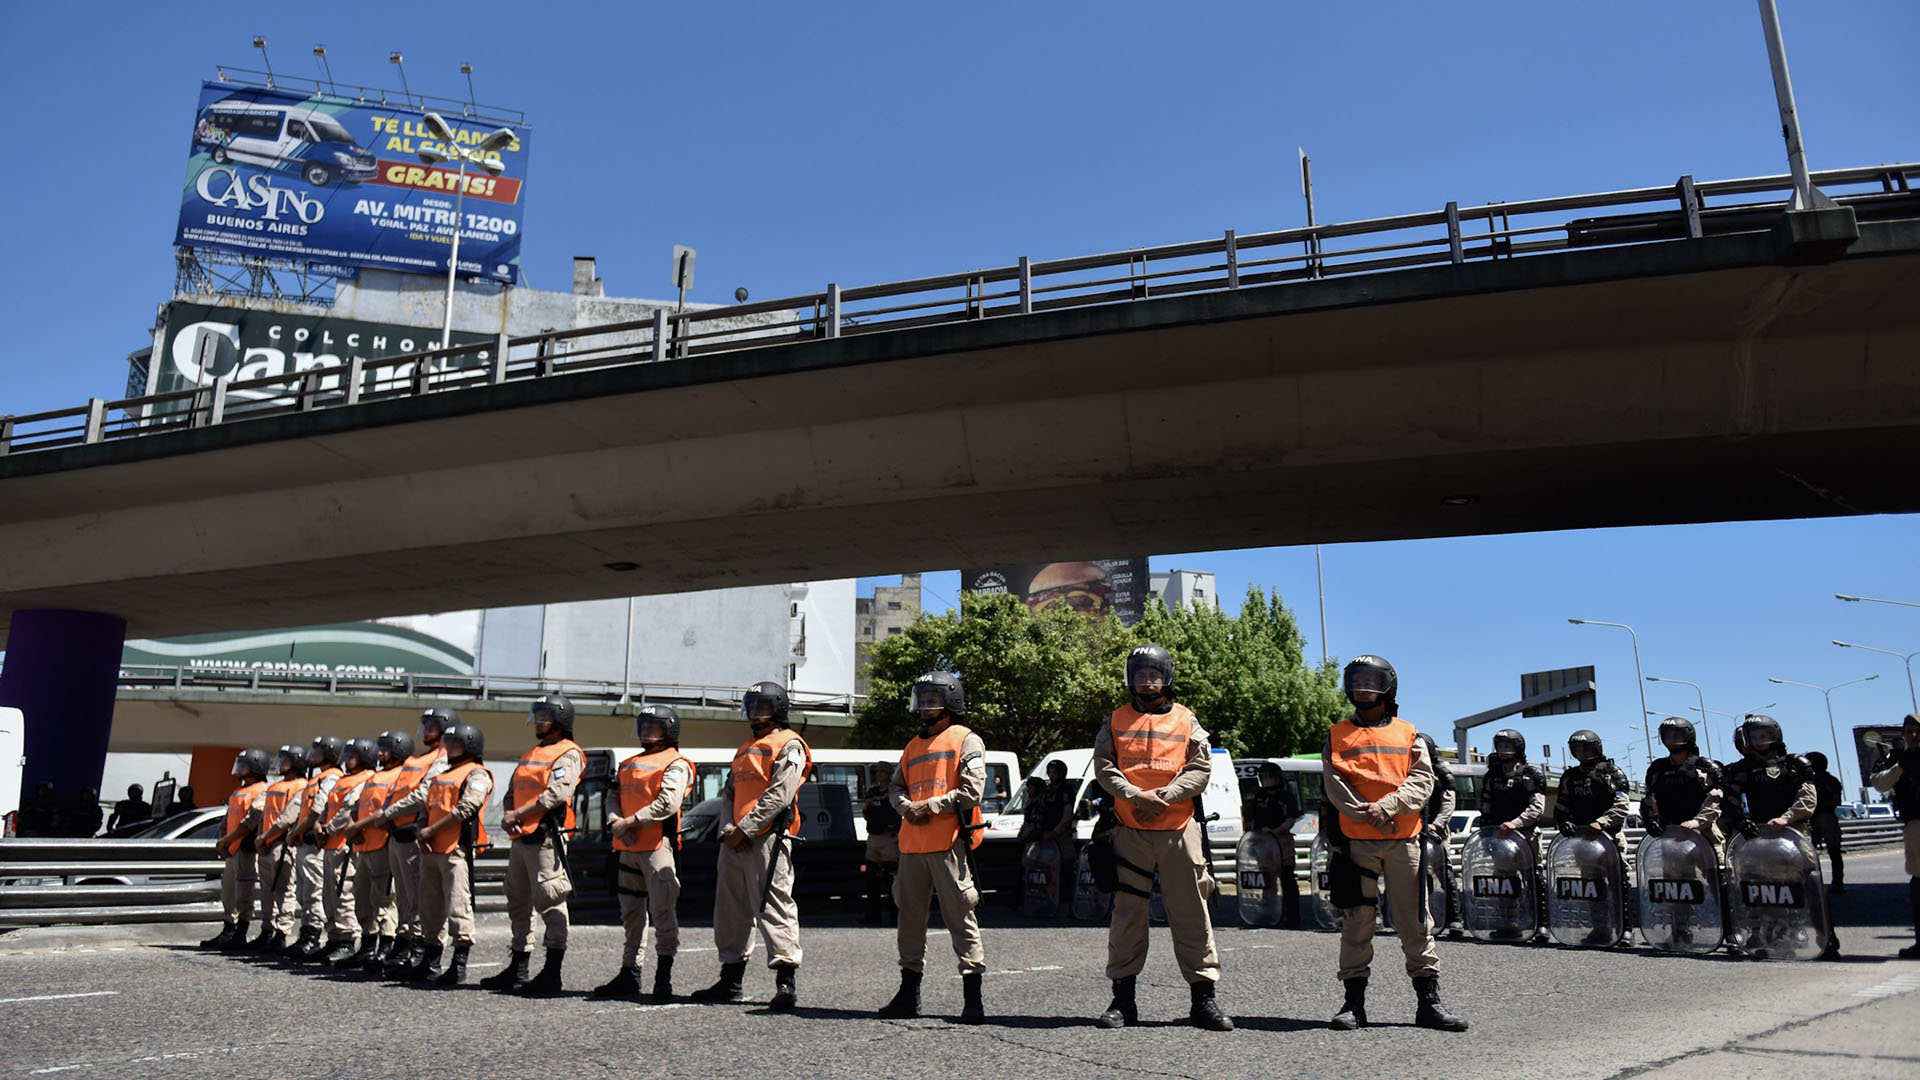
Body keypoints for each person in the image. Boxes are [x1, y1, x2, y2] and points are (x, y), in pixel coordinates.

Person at [1322, 655, 1467, 1033]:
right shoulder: (1336, 734)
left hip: (1403, 841)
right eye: (1356, 680)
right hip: (1357, 843)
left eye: (1371, 680)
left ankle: (1428, 1004)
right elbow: (1334, 784)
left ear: (1388, 686)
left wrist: (1387, 806)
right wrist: (1362, 812)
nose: (1362, 687)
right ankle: (1353, 1005)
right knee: (1357, 923)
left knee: (1415, 922)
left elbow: (1423, 781)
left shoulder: (1409, 733)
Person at [1092, 644, 1232, 1032]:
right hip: (1130, 829)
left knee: (1192, 914)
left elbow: (1200, 769)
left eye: (1153, 674)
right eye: (1139, 674)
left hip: (1176, 830)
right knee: (1127, 917)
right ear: (1129, 678)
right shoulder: (1115, 720)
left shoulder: (1187, 719)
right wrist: (1135, 795)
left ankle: (1203, 1002)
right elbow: (1103, 765)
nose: (1146, 681)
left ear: (1167, 677)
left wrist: (1164, 797)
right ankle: (1123, 1001)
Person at [877, 672, 988, 1023]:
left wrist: (932, 805)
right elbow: (896, 787)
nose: (924, 706)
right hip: (911, 846)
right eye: (921, 700)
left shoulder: (967, 740)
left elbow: (973, 791)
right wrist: (906, 806)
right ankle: (908, 995)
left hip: (949, 844)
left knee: (960, 918)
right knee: (909, 922)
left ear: (951, 702)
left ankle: (973, 999)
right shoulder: (912, 745)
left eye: (931, 700)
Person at [692, 681, 811, 1010]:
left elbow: (780, 793)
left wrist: (745, 828)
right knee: (730, 910)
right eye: (752, 706)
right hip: (734, 840)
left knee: (774, 906)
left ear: (778, 709)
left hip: (767, 838)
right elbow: (728, 793)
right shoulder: (744, 748)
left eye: (762, 707)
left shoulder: (790, 745)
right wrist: (729, 828)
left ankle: (785, 982)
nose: (755, 713)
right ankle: (730, 980)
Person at [481, 693, 584, 995]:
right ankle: (519, 967)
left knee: (551, 902)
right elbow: (514, 788)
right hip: (521, 836)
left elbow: (557, 794)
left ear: (561, 720)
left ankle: (553, 973)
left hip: (546, 837)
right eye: (537, 715)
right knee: (518, 900)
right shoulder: (530, 753)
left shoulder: (569, 753)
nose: (538, 721)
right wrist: (509, 814)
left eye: (545, 716)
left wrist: (518, 813)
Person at [592, 705, 693, 1002]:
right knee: (631, 916)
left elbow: (668, 803)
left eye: (654, 727)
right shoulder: (627, 763)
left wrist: (630, 822)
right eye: (644, 726)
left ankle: (664, 978)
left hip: (656, 847)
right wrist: (615, 822)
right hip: (627, 847)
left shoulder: (676, 763)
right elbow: (611, 797)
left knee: (662, 913)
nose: (646, 732)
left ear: (669, 730)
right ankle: (630, 974)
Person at [1723, 715, 1836, 959]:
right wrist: (1742, 822)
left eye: (1764, 735)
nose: (1760, 741)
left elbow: (1808, 797)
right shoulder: (1742, 769)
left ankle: (1826, 939)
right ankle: (1764, 937)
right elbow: (1730, 800)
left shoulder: (1795, 764)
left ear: (1775, 735)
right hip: (1759, 837)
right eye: (1754, 737)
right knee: (1759, 889)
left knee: (1810, 884)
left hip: (1794, 834)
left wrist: (1786, 818)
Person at [363, 709, 452, 977]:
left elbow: (423, 793)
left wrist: (388, 813)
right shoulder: (416, 760)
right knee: (403, 897)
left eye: (433, 726)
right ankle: (404, 944)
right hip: (397, 833)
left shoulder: (442, 759)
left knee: (417, 897)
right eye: (425, 725)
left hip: (415, 832)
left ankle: (418, 949)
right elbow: (395, 792)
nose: (426, 731)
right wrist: (388, 814)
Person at [417, 722, 493, 986]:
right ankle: (431, 961)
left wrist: (431, 831)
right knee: (429, 908)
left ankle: (458, 965)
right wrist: (422, 830)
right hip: (431, 849)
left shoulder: (477, 774)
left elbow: (466, 808)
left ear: (470, 746)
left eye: (455, 744)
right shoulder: (442, 775)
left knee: (458, 907)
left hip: (455, 850)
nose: (448, 748)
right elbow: (427, 807)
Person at [1640, 716, 1726, 948]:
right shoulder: (1657, 768)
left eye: (1677, 735)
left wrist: (1698, 822)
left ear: (1689, 736)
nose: (1673, 740)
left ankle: (1730, 931)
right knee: (1677, 888)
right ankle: (1680, 930)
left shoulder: (1706, 767)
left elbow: (1715, 801)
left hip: (1704, 834)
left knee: (1720, 882)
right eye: (1668, 736)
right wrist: (1650, 819)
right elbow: (1649, 798)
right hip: (1672, 836)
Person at [1552, 729, 1631, 940]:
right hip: (1583, 842)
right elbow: (1561, 805)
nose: (1582, 753)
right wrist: (1564, 823)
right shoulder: (1570, 776)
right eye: (1577, 749)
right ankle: (1600, 928)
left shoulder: (1611, 772)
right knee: (1591, 887)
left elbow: (1622, 804)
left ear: (1596, 748)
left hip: (1610, 838)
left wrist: (1602, 823)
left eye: (1586, 748)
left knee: (1618, 883)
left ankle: (1626, 929)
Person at [342, 730, 411, 972]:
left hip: (382, 844)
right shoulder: (374, 777)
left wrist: (357, 827)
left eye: (386, 748)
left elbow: (386, 811)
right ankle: (368, 944)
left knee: (384, 900)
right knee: (362, 900)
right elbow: (358, 805)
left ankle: (386, 945)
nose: (380, 753)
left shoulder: (400, 775)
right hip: (363, 846)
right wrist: (353, 824)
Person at [313, 738, 376, 966]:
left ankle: (347, 940)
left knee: (343, 893)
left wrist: (328, 829)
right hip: (330, 844)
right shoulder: (343, 780)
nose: (348, 759)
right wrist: (319, 825)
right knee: (329, 896)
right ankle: (334, 938)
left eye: (353, 755)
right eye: (347, 755)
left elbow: (347, 810)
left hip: (344, 846)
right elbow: (330, 807)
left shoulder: (365, 779)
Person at [286, 735, 346, 962]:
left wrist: (295, 832)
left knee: (314, 892)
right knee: (304, 892)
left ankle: (313, 937)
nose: (314, 755)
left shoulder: (331, 778)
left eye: (320, 751)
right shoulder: (317, 777)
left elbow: (317, 809)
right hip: (305, 843)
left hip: (315, 844)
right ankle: (306, 934)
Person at [204, 749, 271, 949]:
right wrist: (222, 839)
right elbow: (228, 819)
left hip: (246, 848)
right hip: (232, 849)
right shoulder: (238, 791)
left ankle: (240, 932)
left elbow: (250, 821)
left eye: (245, 765)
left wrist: (228, 839)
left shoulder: (261, 790)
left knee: (244, 893)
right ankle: (228, 929)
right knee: (229, 893)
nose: (240, 769)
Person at [250, 745, 311, 953]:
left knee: (283, 890)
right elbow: (265, 814)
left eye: (285, 759)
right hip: (267, 844)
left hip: (282, 844)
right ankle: (268, 929)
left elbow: (288, 818)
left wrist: (267, 838)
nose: (280, 763)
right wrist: (261, 838)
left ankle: (282, 932)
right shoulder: (276, 785)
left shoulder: (301, 786)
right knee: (267, 891)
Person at [1869, 714, 1920, 959]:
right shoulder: (1898, 757)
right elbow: (1879, 783)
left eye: (1918, 731)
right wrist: (1902, 766)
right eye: (1909, 731)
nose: (1914, 735)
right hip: (1916, 826)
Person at [1245, 761, 1304, 929]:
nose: (1265, 780)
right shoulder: (1259, 797)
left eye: (1269, 777)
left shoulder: (1286, 797)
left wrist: (1277, 830)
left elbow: (1291, 819)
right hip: (1263, 842)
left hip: (1282, 841)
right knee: (1266, 881)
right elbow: (1253, 819)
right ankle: (1269, 914)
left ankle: (1293, 917)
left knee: (1288, 880)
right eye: (1262, 777)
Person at [1416, 734, 1463, 937]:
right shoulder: (1409, 771)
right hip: (1414, 832)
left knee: (1445, 874)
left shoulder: (1441, 772)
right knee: (1417, 875)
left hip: (1437, 833)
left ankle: (1455, 919)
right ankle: (1422, 917)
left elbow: (1448, 804)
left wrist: (1436, 825)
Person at [859, 763, 902, 926]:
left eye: (883, 772)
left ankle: (895, 915)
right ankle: (872, 914)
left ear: (889, 774)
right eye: (878, 772)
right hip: (874, 837)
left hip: (890, 837)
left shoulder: (894, 791)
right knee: (871, 879)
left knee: (891, 878)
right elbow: (866, 811)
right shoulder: (873, 791)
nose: (879, 775)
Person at [1804, 751, 1847, 893]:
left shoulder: (1814, 781)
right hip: (1823, 817)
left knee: (1812, 854)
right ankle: (1836, 884)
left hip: (1822, 817)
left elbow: (1835, 800)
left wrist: (1816, 806)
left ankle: (1823, 885)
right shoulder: (1830, 780)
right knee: (1832, 853)